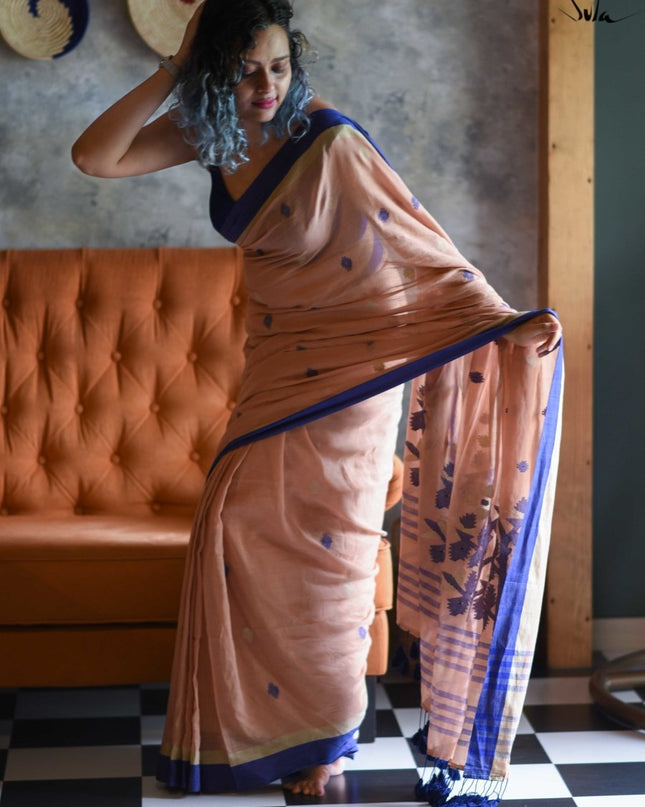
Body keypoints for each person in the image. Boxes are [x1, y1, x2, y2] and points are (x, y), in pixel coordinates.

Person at [72, 1, 562, 802]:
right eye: (241, 72)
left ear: (294, 63)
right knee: (233, 532)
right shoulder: (210, 132)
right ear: (212, 75)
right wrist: (172, 68)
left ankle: (325, 748)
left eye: (277, 67)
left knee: (331, 559)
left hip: (351, 382)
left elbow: (417, 245)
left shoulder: (327, 139)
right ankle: (264, 731)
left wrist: (500, 322)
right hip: (275, 370)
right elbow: (94, 156)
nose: (265, 87)